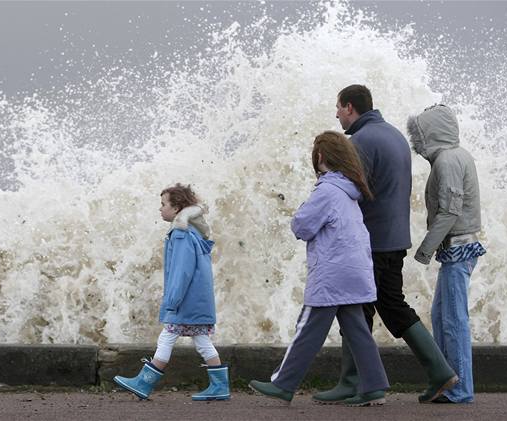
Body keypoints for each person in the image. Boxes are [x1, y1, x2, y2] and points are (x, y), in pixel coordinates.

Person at [313, 85, 457, 404]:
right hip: (393, 237)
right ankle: (438, 372)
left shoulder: (361, 141)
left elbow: (351, 191)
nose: (336, 114)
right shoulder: (392, 135)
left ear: (350, 107)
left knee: (356, 307)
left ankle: (355, 382)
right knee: (389, 305)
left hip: (371, 240)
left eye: (338, 108)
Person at [249, 131, 389, 407]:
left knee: (308, 327)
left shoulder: (327, 190)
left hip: (333, 273)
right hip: (356, 269)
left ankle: (282, 383)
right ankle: (374, 385)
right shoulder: (350, 191)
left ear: (321, 156)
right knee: (357, 329)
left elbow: (301, 226)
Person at [113, 183, 230, 401]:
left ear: (176, 208)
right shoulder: (193, 232)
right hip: (197, 301)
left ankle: (143, 383)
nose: (160, 209)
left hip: (185, 300)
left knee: (167, 337)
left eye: (163, 204)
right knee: (202, 341)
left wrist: (172, 300)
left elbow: (181, 272)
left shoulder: (181, 234)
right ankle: (220, 386)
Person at [407, 104, 485, 403]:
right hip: (460, 247)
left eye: (421, 134)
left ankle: (460, 389)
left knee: (453, 321)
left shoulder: (448, 161)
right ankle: (448, 382)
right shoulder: (457, 155)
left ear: (431, 133)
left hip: (457, 248)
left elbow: (450, 211)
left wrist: (425, 249)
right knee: (442, 317)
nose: (419, 141)